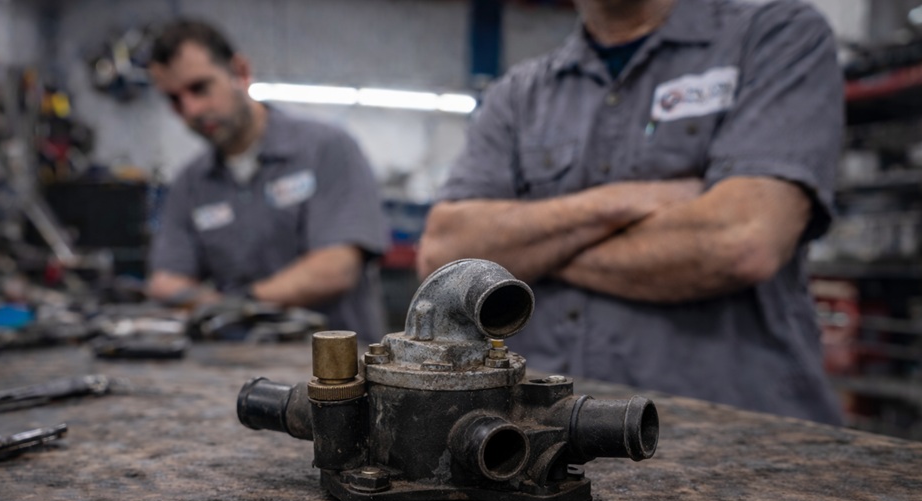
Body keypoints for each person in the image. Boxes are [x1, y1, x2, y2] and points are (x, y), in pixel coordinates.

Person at [417, 0, 845, 424]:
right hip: (549, 429)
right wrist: (623, 202)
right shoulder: (519, 94)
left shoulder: (773, 36)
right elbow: (444, 257)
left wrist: (535, 249)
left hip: (733, 432)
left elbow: (742, 241)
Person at [146, 19, 389, 342]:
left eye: (200, 88)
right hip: (233, 366)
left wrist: (237, 306)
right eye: (174, 100)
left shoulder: (327, 149)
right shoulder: (190, 184)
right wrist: (218, 306)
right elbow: (165, 280)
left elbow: (336, 268)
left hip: (337, 374)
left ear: (241, 72)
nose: (191, 110)